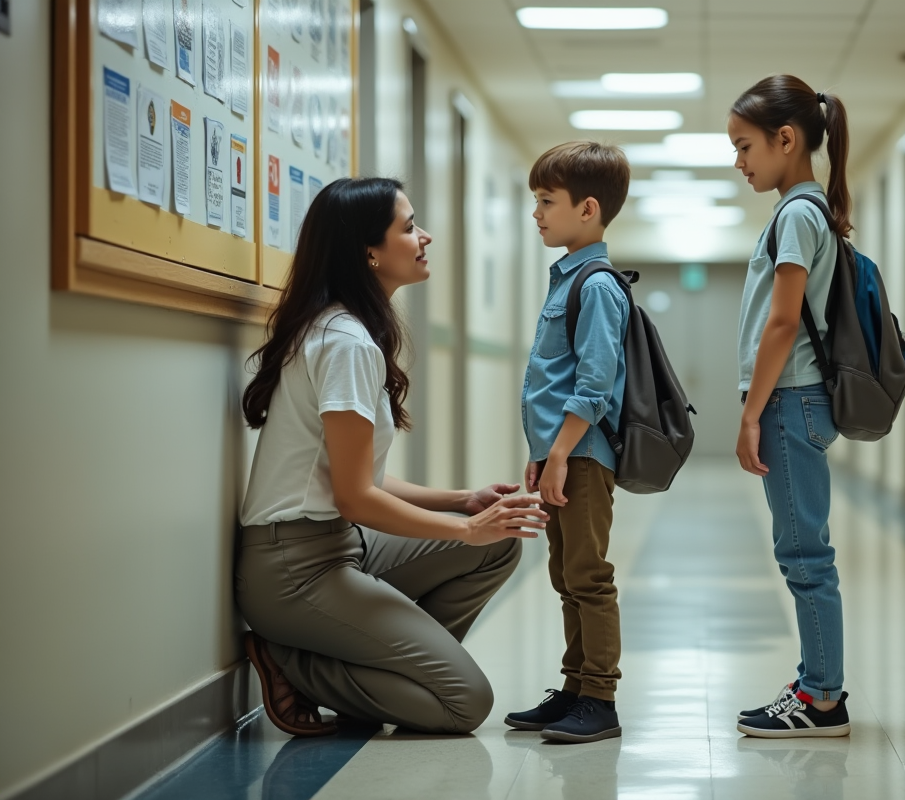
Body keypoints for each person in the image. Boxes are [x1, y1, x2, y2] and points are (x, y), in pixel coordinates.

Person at [235, 177, 548, 737]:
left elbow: (361, 480)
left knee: (497, 545)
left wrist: (466, 503)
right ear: (368, 252)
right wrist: (464, 530)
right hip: (293, 569)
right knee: (464, 704)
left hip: (338, 544)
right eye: (408, 227)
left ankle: (380, 675)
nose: (424, 236)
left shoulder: (346, 330)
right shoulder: (344, 342)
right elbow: (357, 497)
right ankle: (294, 664)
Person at [727, 75, 854, 738]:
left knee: (805, 555)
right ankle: (815, 682)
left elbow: (782, 323)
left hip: (790, 398)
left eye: (746, 146)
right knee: (802, 551)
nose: (739, 161)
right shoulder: (800, 211)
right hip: (794, 398)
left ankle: (822, 698)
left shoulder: (799, 214)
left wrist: (751, 411)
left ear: (786, 139)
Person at [502, 142, 631, 743]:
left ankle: (600, 699)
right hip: (558, 456)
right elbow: (551, 380)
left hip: (580, 457)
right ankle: (575, 687)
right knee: (563, 574)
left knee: (588, 575)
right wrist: (540, 453)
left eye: (546, 201)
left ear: (588, 209)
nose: (537, 213)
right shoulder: (567, 278)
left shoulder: (598, 284)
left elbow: (594, 383)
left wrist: (558, 454)